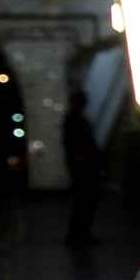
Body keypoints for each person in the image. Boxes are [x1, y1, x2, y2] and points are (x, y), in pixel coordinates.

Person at [62, 90, 102, 248]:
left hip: (80, 166)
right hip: (84, 167)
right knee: (85, 202)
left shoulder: (71, 120)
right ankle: (80, 234)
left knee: (82, 202)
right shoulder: (77, 120)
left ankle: (78, 234)